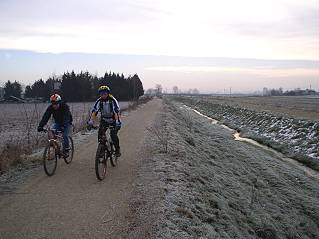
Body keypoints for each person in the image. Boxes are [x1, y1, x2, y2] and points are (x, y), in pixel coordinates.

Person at [88, 85, 122, 157]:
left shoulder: (112, 100)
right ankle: (101, 150)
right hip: (104, 120)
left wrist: (118, 122)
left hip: (113, 120)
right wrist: (90, 122)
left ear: (108, 93)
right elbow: (94, 111)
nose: (103, 95)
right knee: (100, 133)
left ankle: (117, 149)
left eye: (105, 93)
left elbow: (116, 111)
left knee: (113, 135)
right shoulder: (99, 101)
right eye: (101, 94)